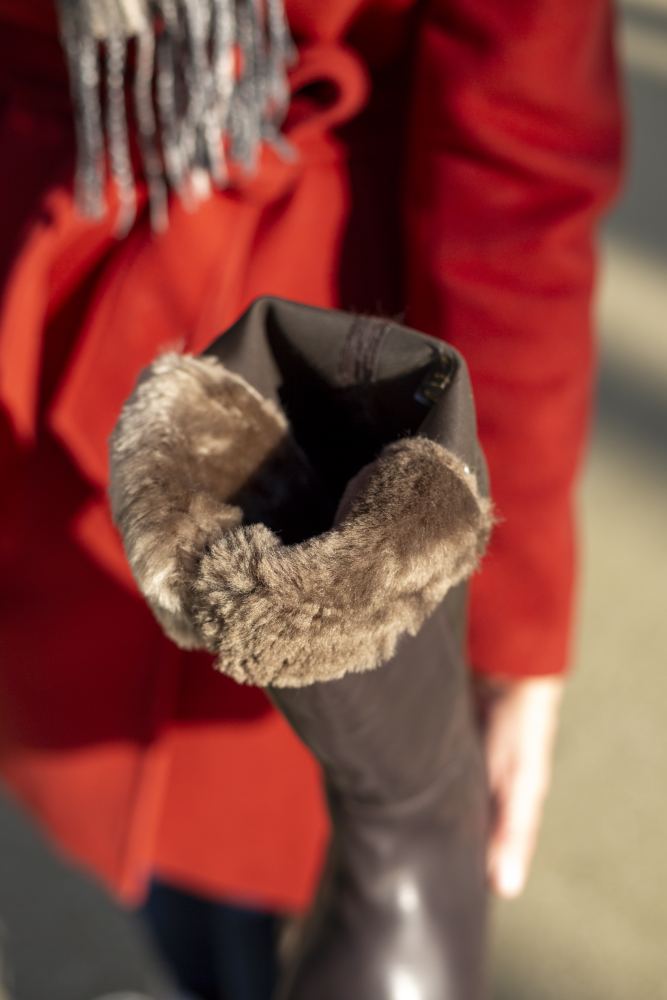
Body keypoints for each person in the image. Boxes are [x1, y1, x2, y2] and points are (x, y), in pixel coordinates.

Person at [0, 0, 623, 997]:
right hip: (57, 311)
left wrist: (513, 618)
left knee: (277, 856)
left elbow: (515, 167)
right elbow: (522, 166)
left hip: (329, 365)